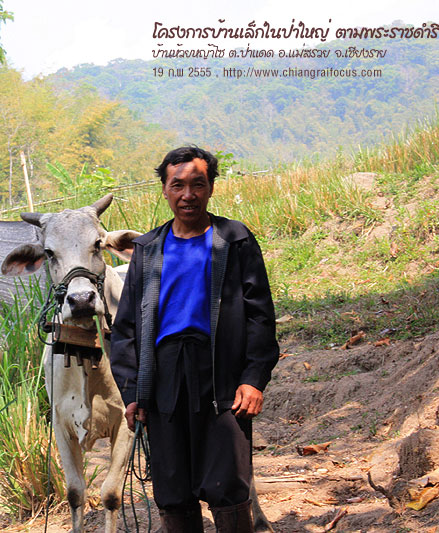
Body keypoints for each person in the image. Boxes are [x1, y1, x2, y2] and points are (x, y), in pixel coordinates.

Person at [110, 146, 279, 533]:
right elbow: (126, 330)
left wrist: (253, 379)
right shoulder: (148, 249)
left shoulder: (234, 240)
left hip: (221, 376)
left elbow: (260, 316)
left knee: (228, 482)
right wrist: (133, 392)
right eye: (178, 185)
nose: (188, 195)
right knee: (172, 487)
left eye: (198, 184)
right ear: (164, 190)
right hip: (164, 380)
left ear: (211, 188)